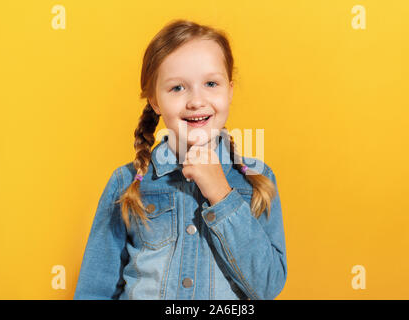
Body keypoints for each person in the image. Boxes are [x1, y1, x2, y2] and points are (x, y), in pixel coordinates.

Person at [74, 19, 287, 300]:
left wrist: (222, 196)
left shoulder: (258, 180)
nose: (196, 101)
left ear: (230, 90)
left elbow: (268, 285)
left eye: (211, 83)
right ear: (154, 100)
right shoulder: (127, 183)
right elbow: (95, 289)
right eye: (177, 88)